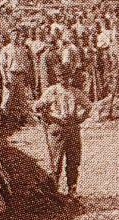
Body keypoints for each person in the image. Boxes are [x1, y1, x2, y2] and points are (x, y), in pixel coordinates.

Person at [34, 68, 91, 197]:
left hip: (73, 129)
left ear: (70, 77)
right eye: (60, 77)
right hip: (57, 128)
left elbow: (88, 106)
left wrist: (80, 118)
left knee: (73, 160)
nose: (64, 79)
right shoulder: (52, 91)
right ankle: (53, 190)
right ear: (57, 77)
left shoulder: (75, 92)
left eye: (66, 76)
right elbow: (38, 106)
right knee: (55, 161)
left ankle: (72, 189)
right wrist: (41, 109)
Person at [0, 26, 36, 120]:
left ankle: (22, 118)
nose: (16, 37)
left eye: (18, 35)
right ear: (10, 36)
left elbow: (26, 63)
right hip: (10, 75)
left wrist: (26, 75)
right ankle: (4, 118)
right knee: (7, 97)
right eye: (14, 35)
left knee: (22, 98)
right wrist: (5, 78)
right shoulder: (6, 49)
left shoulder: (22, 49)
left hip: (20, 75)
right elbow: (2, 66)